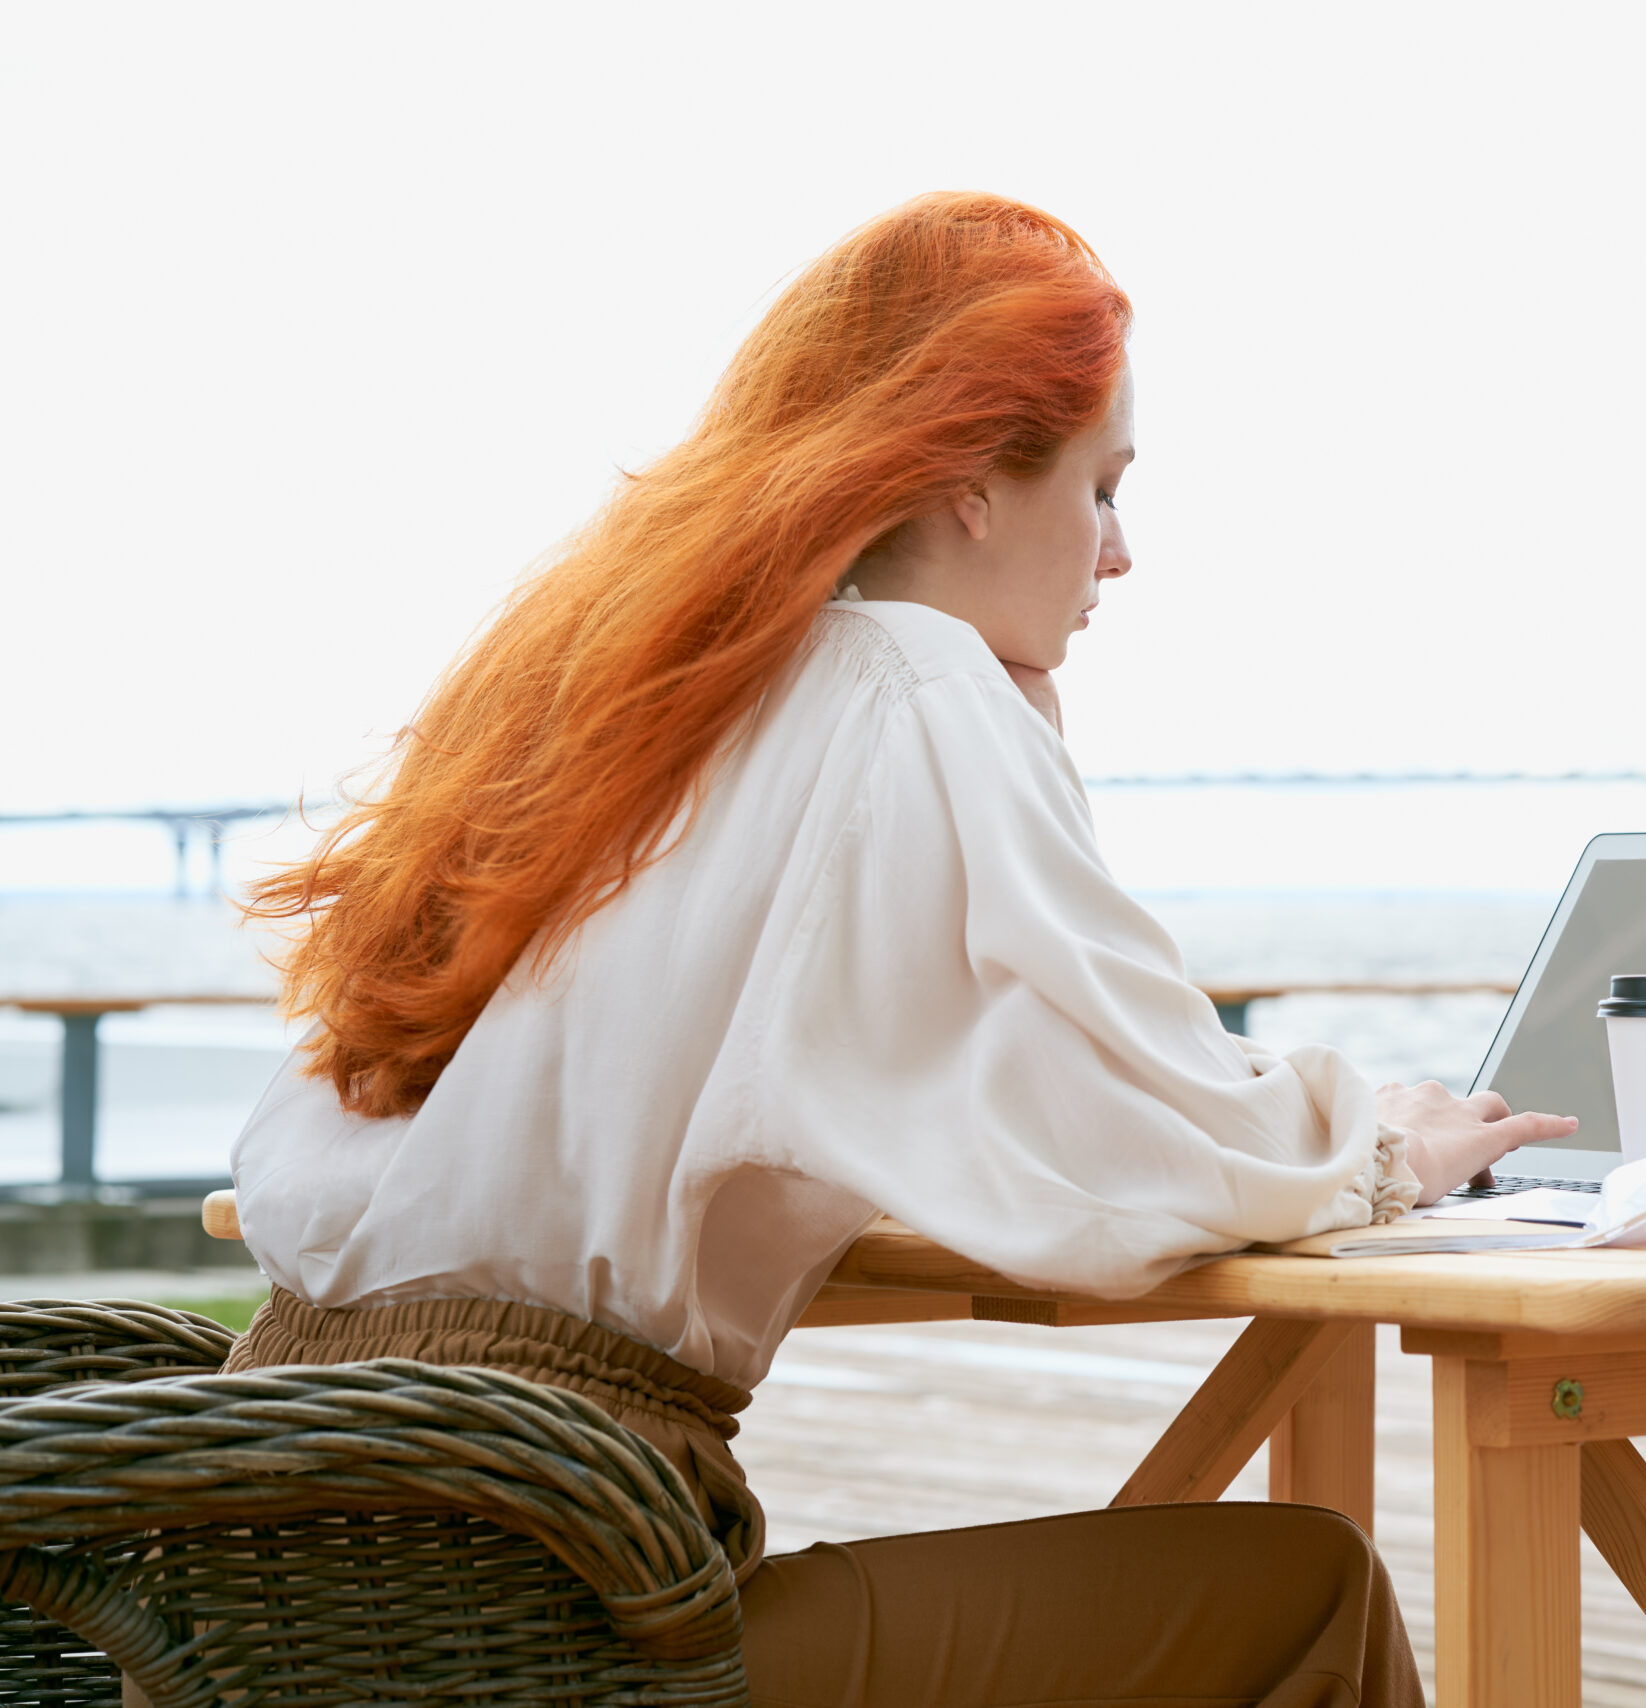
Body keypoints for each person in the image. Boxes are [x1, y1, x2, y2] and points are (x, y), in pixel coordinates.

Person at [226, 191, 1576, 1706]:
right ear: (970, 484)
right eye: (1105, 486)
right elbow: (1138, 1142)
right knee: (1307, 1585)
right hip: (535, 1618)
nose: (1122, 553)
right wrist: (1377, 1143)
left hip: (257, 1589)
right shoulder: (910, 688)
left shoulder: (625, 688)